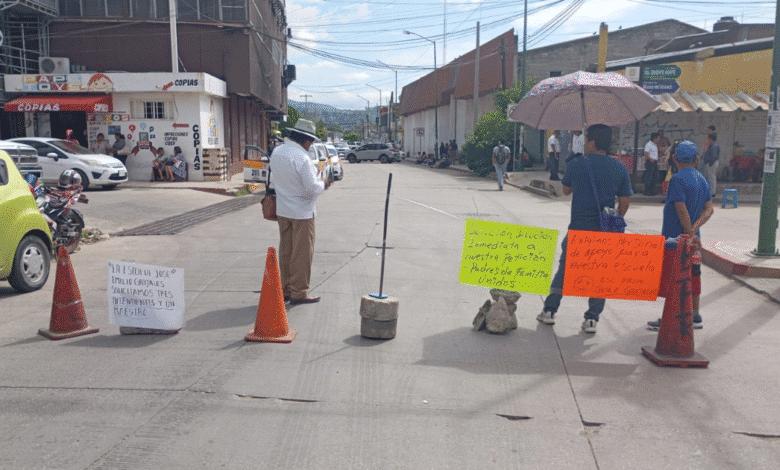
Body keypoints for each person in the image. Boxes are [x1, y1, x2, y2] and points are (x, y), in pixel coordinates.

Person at [537, 124, 632, 334]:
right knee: (600, 275)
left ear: (592, 143)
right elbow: (624, 204)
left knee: (564, 270)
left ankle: (550, 310)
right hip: (604, 233)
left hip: (578, 229)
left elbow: (565, 190)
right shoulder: (619, 168)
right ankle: (591, 319)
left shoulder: (577, 164)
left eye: (587, 139)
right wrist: (611, 221)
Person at [647, 140, 714, 331]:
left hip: (675, 239)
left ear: (675, 159)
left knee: (674, 280)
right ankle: (695, 315)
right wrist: (695, 230)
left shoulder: (676, 180)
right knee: (693, 275)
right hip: (694, 241)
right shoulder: (702, 179)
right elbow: (709, 209)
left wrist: (688, 232)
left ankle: (672, 320)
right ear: (696, 159)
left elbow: (680, 208)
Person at [270, 118, 330, 304]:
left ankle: (285, 288)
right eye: (310, 143)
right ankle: (299, 292)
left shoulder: (277, 152)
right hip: (302, 213)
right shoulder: (302, 158)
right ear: (305, 140)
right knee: (302, 254)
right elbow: (312, 188)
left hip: (283, 210)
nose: (309, 146)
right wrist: (323, 184)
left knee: (286, 252)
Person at [699, 133, 720, 197]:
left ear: (710, 138)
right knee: (710, 177)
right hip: (711, 163)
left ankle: (712, 192)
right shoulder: (713, 145)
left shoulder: (714, 146)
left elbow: (713, 156)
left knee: (711, 178)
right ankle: (711, 191)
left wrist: (709, 163)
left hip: (711, 163)